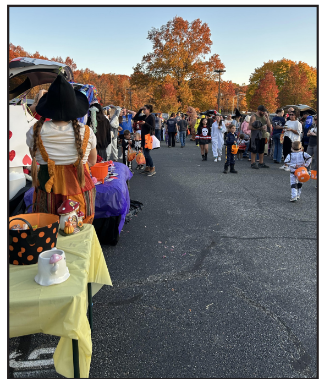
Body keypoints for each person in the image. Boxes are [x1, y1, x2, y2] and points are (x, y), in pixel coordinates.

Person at [26, 74, 97, 223]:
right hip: (80, 192)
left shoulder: (34, 131)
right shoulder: (87, 132)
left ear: (48, 107)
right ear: (74, 107)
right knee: (79, 233)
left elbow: (34, 156)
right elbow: (92, 161)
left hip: (47, 194)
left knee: (47, 233)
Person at [132, 104, 156, 176]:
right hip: (143, 136)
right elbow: (135, 118)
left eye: (145, 109)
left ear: (149, 109)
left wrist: (145, 123)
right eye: (143, 109)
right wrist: (140, 110)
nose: (144, 111)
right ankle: (147, 167)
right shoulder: (145, 116)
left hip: (148, 136)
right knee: (145, 153)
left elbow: (153, 128)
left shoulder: (151, 117)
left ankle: (152, 167)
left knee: (146, 153)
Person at [248, 105, 272, 169]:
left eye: (264, 111)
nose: (264, 112)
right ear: (259, 111)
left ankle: (261, 163)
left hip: (263, 135)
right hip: (255, 136)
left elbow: (269, 125)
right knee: (254, 150)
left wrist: (267, 117)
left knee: (262, 150)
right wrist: (260, 128)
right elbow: (249, 127)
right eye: (263, 111)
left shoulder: (264, 116)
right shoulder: (254, 117)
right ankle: (253, 163)